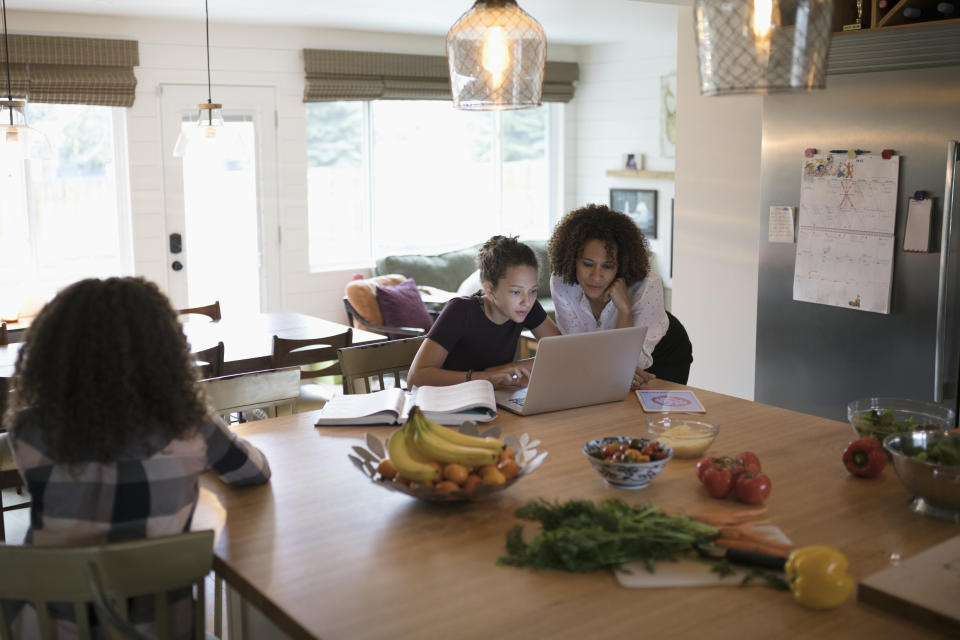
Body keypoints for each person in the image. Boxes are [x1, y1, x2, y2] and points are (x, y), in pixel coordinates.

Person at [4, 276, 271, 636]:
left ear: (54, 352)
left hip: (49, 627)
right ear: (165, 349)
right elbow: (254, 471)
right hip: (159, 629)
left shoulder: (29, 430)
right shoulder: (190, 425)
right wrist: (192, 463)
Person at [548, 204, 692, 387]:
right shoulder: (562, 284)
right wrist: (617, 370)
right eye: (587, 264)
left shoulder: (647, 285)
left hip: (662, 352)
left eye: (607, 266)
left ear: (621, 265)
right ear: (573, 259)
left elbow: (635, 362)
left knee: (649, 413)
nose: (596, 276)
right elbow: (577, 350)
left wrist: (624, 309)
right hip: (609, 358)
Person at [408, 235, 560, 388]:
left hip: (495, 399)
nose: (527, 302)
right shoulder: (460, 310)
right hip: (449, 401)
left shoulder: (527, 308)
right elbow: (415, 378)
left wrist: (510, 368)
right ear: (490, 289)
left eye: (533, 291)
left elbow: (562, 352)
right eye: (515, 292)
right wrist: (487, 376)